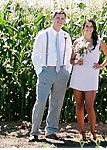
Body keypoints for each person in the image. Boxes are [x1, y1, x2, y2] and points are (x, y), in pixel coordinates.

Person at [28, 10, 73, 142]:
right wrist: (40, 71)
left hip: (61, 72)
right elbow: (36, 54)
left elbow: (68, 54)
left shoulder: (66, 36)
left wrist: (67, 71)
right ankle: (34, 132)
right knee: (41, 101)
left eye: (62, 18)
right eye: (57, 18)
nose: (60, 21)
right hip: (46, 71)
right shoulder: (43, 35)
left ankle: (51, 130)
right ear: (52, 18)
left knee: (56, 103)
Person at [69, 18, 107, 140]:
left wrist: (101, 66)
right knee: (79, 105)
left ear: (94, 29)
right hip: (78, 74)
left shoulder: (98, 42)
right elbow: (71, 60)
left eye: (91, 26)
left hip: (91, 75)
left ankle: (93, 132)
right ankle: (82, 132)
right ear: (83, 28)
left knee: (89, 105)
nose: (89, 28)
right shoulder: (77, 42)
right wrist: (76, 62)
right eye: (87, 26)